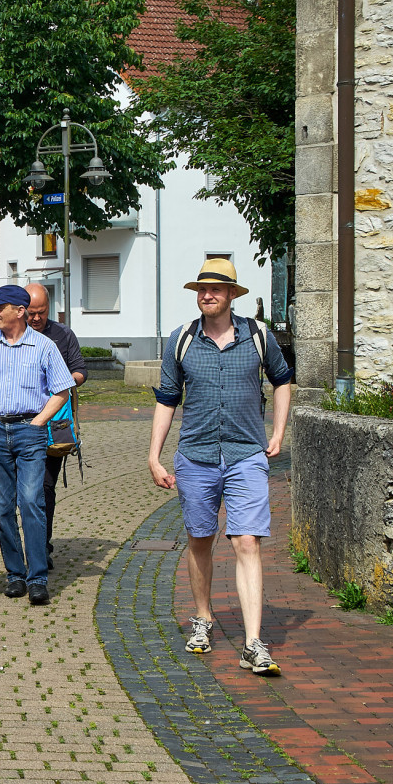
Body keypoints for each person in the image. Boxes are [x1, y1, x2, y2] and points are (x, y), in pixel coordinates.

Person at [149, 258, 292, 676]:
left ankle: (252, 642)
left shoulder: (258, 336)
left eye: (214, 289)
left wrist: (279, 433)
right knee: (199, 539)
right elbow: (166, 399)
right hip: (195, 455)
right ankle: (203, 618)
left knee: (247, 542)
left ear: (232, 294)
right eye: (201, 289)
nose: (206, 294)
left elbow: (282, 381)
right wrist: (154, 456)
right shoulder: (182, 340)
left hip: (247, 454)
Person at [0, 284, 75, 606]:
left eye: (0, 307)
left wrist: (38, 422)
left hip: (29, 432)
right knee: (2, 507)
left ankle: (38, 577)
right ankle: (15, 574)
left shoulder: (44, 346)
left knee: (31, 502)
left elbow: (62, 391)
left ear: (20, 311)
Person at [24, 283, 87, 568]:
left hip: (53, 426)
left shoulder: (63, 334)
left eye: (41, 313)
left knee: (44, 488)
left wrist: (64, 382)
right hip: (21, 423)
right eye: (31, 313)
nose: (36, 318)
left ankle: (41, 546)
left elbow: (80, 370)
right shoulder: (14, 334)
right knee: (22, 491)